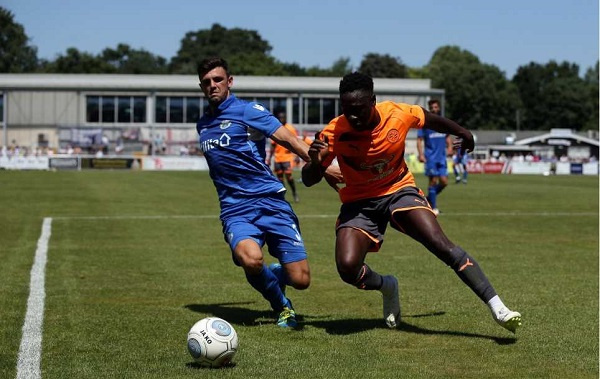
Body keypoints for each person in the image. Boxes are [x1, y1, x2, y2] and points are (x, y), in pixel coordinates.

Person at [302, 72, 522, 333]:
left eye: (359, 110)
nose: (353, 117)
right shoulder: (333, 132)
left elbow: (432, 121)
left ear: (373, 101)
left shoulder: (397, 113)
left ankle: (498, 308)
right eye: (347, 110)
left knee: (440, 243)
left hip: (399, 190)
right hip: (360, 202)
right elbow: (308, 179)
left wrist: (461, 131)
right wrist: (316, 163)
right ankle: (387, 286)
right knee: (348, 268)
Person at [195, 57, 342, 328]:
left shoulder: (248, 111)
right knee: (250, 259)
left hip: (270, 202)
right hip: (235, 208)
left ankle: (274, 273)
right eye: (206, 82)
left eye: (218, 80)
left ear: (229, 81)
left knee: (301, 280)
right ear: (201, 86)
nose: (212, 85)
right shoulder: (202, 124)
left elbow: (289, 140)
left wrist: (325, 167)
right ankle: (282, 307)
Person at [416, 99, 452, 215]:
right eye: (431, 107)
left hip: (441, 157)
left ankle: (427, 199)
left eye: (435, 107)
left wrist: (450, 147)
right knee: (433, 181)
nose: (433, 109)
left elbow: (447, 137)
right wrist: (421, 154)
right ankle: (434, 207)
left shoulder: (442, 122)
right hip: (430, 157)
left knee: (444, 182)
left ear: (439, 108)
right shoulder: (425, 123)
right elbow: (419, 140)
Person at [266, 111, 301, 202]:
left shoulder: (290, 128)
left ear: (285, 118)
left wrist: (297, 155)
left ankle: (294, 193)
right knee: (280, 178)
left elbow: (296, 142)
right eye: (280, 118)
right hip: (278, 157)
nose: (281, 119)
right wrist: (270, 158)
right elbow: (273, 145)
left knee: (289, 176)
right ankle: (282, 197)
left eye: (283, 117)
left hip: (287, 156)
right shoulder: (276, 128)